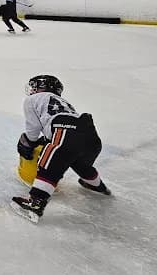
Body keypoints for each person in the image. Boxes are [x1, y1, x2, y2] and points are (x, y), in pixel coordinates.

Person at [11, 75, 111, 222]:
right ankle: (97, 186)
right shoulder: (63, 102)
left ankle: (35, 202)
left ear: (42, 87)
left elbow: (33, 128)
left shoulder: (32, 100)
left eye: (34, 86)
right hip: (90, 135)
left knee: (50, 161)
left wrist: (28, 143)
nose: (32, 90)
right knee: (78, 162)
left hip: (65, 130)